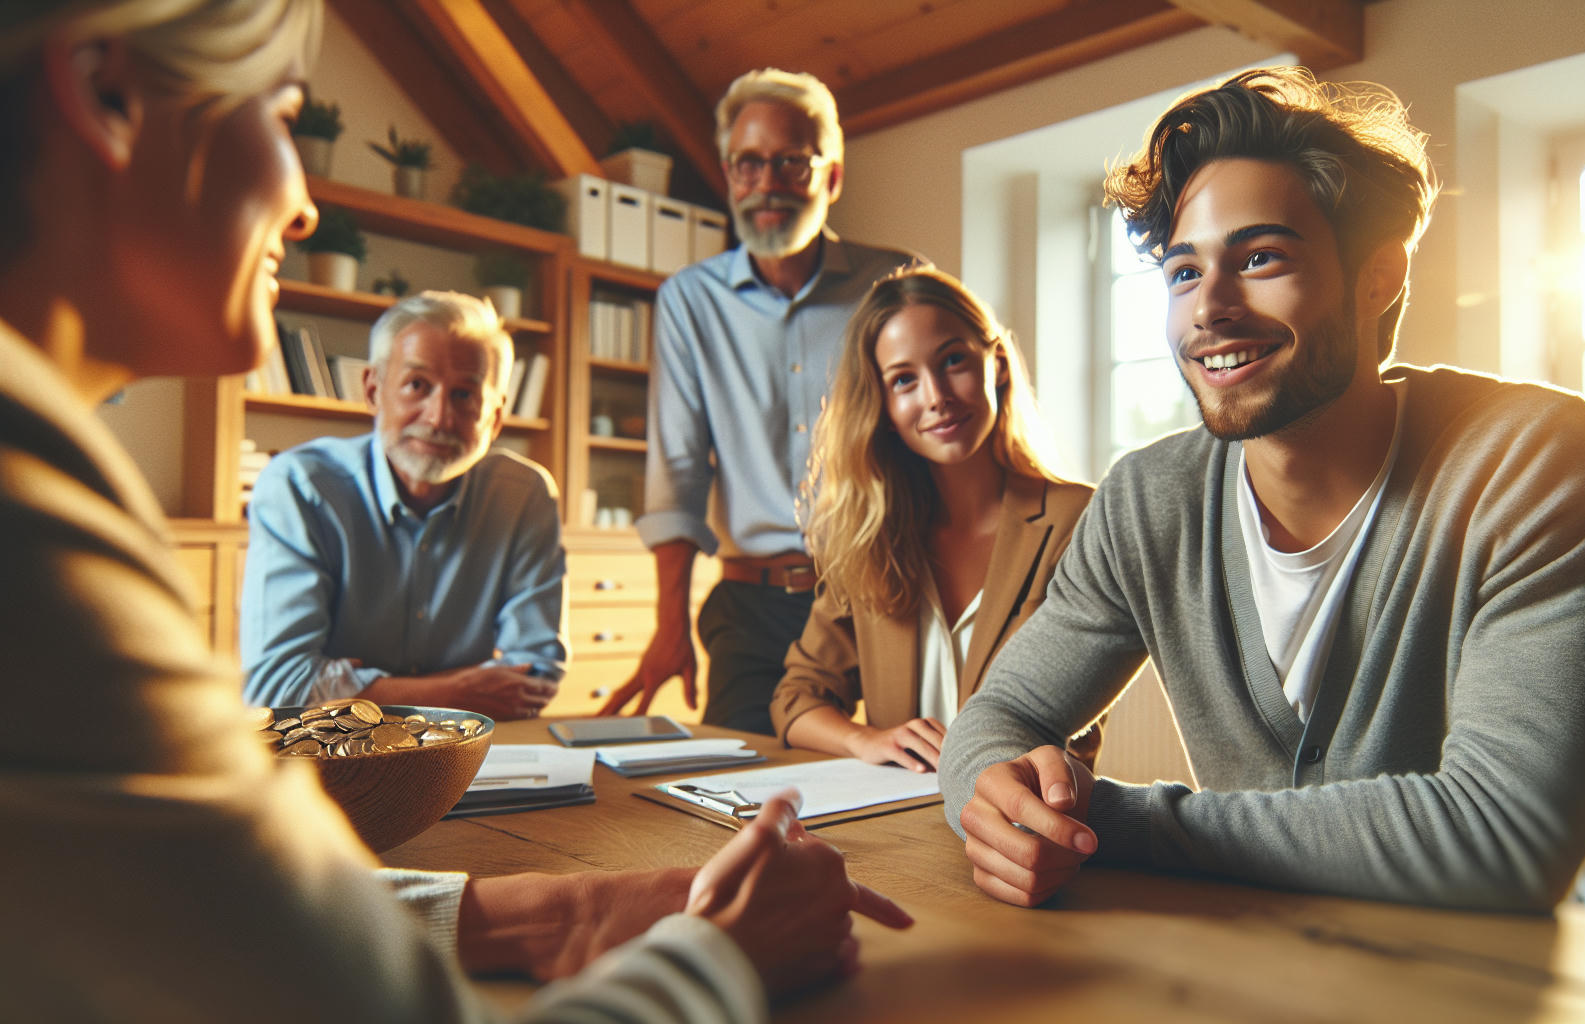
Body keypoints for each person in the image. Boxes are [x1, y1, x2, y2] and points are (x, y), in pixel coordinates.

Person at [0, 2, 909, 1019]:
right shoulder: (32, 502)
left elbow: (188, 899)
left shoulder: (48, 469)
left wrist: (536, 915)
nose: (303, 208)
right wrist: (720, 957)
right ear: (108, 97)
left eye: (470, 391)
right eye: (283, 113)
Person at [938, 67, 1585, 913]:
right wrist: (1004, 799)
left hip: (1485, 977)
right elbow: (999, 713)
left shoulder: (1527, 460)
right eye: (1184, 273)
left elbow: (1506, 837)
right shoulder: (1146, 500)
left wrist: (1110, 822)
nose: (1210, 309)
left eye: (1261, 257)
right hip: (1255, 960)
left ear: (1378, 277)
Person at [599, 67, 919, 734]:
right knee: (734, 788)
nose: (767, 183)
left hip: (888, 589)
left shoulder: (896, 282)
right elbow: (678, 472)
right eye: (748, 165)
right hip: (753, 604)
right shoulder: (689, 300)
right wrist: (668, 627)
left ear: (830, 178)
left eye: (791, 163)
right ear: (727, 175)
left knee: (911, 783)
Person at [770, 267, 1100, 772]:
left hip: (1023, 820)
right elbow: (796, 700)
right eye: (904, 379)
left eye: (952, 361)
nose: (935, 396)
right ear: (881, 404)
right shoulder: (868, 537)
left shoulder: (1074, 521)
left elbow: (1076, 727)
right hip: (896, 825)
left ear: (998, 364)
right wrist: (866, 741)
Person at [240, 291, 565, 721]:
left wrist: (348, 689)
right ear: (373, 391)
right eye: (417, 386)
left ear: (496, 417)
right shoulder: (301, 487)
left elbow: (534, 674)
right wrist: (461, 693)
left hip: (468, 757)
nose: (438, 418)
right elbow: (277, 687)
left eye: (465, 395)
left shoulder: (524, 495)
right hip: (333, 757)